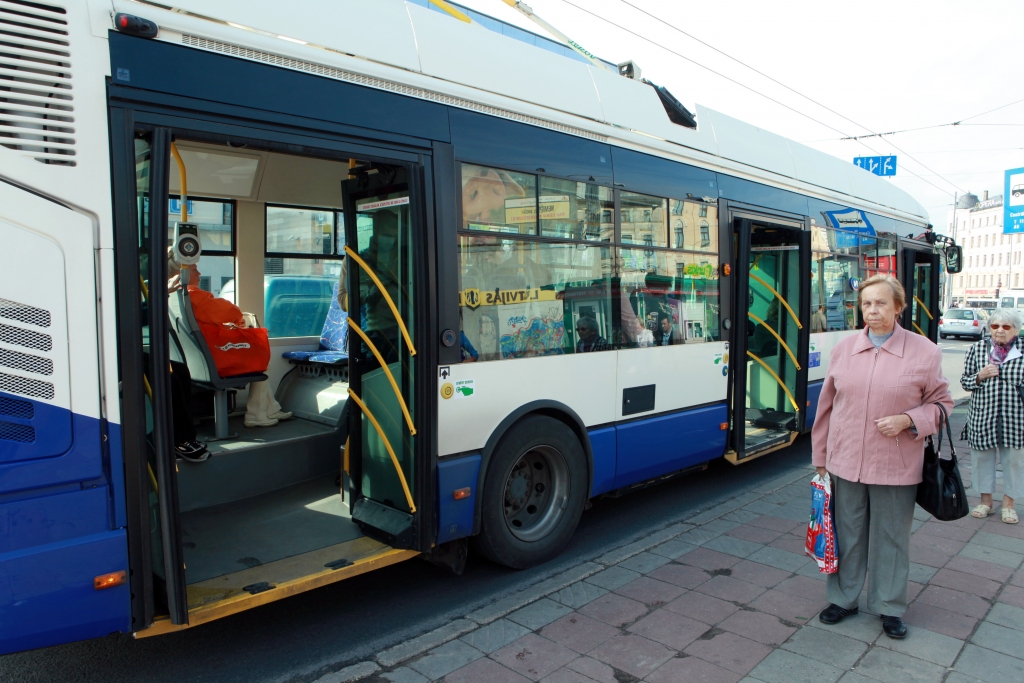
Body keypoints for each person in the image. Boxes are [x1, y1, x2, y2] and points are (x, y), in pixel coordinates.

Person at [812, 274, 953, 640]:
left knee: (891, 538)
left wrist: (910, 419)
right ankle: (843, 598)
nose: (872, 311)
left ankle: (889, 606)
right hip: (845, 462)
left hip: (896, 465)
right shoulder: (844, 349)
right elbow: (827, 406)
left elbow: (942, 405)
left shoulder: (925, 351)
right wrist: (821, 455)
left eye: (881, 304)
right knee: (847, 533)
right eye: (866, 304)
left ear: (898, 307)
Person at [170, 253, 290, 429]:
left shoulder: (173, 297)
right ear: (182, 274)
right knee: (261, 360)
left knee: (259, 360)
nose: (200, 273)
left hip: (195, 361)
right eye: (195, 270)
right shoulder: (194, 296)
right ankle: (256, 414)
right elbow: (231, 311)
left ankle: (271, 408)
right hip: (213, 360)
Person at [961, 308, 1024, 524]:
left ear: (1016, 329)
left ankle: (1009, 504)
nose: (999, 331)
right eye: (995, 326)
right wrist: (979, 376)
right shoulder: (978, 349)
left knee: (1014, 461)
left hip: (1015, 416)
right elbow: (965, 381)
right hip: (983, 414)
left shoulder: (1023, 350)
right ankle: (985, 502)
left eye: (1006, 327)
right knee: (981, 459)